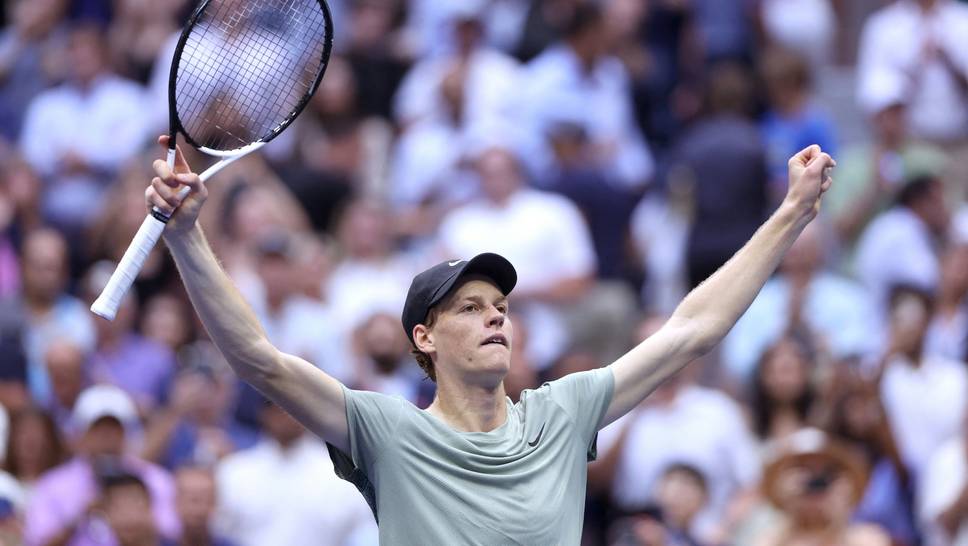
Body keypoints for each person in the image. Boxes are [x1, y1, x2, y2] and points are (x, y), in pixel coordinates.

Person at [143, 133, 834, 545]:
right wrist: (186, 235)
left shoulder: (562, 413)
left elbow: (690, 330)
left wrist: (792, 213)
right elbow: (259, 361)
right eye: (470, 308)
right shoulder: (387, 432)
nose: (496, 317)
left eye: (500, 306)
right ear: (425, 338)